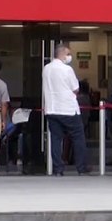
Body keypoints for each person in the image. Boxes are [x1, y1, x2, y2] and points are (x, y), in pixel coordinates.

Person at [42, 45, 87, 176]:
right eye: (68, 54)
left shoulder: (46, 68)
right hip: (68, 109)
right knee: (78, 137)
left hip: (51, 109)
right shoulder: (67, 69)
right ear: (62, 54)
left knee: (56, 139)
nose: (69, 57)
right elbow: (75, 88)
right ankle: (81, 167)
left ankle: (58, 169)